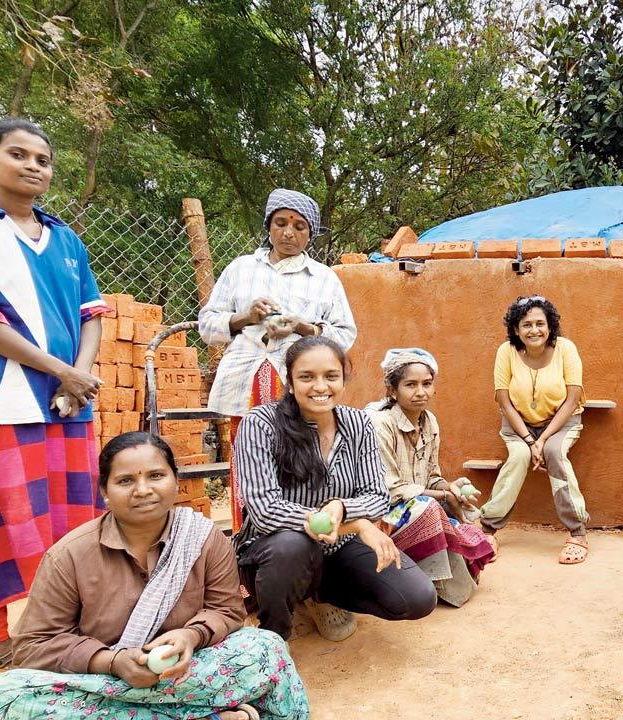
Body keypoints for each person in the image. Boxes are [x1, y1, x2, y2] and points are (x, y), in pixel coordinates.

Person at [0, 118, 111, 674]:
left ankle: (68, 632)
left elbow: (91, 315)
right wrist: (62, 370)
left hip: (71, 406)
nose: (34, 166)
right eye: (19, 154)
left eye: (43, 159)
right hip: (7, 403)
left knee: (78, 518)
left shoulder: (66, 239)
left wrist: (78, 376)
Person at [0, 433, 308, 720]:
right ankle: (209, 713)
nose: (143, 490)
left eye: (156, 476)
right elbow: (33, 646)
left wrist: (190, 637)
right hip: (104, 681)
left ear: (176, 481)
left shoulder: (204, 538)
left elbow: (228, 612)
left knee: (266, 648)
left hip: (189, 671)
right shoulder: (69, 556)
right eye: (126, 480)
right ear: (104, 489)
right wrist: (112, 661)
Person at [233, 336, 437, 642]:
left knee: (417, 598)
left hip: (338, 548)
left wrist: (341, 508)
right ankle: (274, 637)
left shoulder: (359, 424)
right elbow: (265, 512)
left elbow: (377, 496)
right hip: (274, 551)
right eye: (306, 377)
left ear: (343, 378)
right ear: (289, 380)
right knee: (293, 546)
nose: (320, 387)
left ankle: (318, 596)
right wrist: (355, 523)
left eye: (330, 376)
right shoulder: (260, 424)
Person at [198, 188, 358, 531]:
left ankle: (303, 542)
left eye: (300, 226)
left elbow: (345, 334)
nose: (289, 232)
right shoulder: (240, 269)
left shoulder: (324, 278)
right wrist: (245, 317)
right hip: (246, 378)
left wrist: (302, 326)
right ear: (268, 226)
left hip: (300, 385)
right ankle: (249, 546)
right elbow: (207, 325)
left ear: (311, 234)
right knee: (249, 460)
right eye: (281, 222)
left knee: (301, 457)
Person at [367, 348, 497, 606]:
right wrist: (443, 495)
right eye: (410, 385)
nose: (420, 392)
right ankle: (431, 584)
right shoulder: (380, 423)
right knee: (429, 508)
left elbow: (432, 477)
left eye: (426, 384)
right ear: (392, 390)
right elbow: (391, 490)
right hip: (380, 518)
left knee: (469, 511)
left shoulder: (430, 422)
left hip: (415, 504)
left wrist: (451, 487)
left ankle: (453, 578)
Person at [480, 296, 590, 564]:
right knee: (518, 457)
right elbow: (504, 401)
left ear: (550, 326)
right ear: (516, 329)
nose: (534, 330)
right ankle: (488, 529)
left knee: (555, 452)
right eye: (526, 324)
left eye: (540, 323)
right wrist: (530, 441)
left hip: (562, 422)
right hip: (519, 425)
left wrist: (543, 441)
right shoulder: (506, 351)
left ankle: (577, 532)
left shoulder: (565, 349)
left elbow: (573, 397)